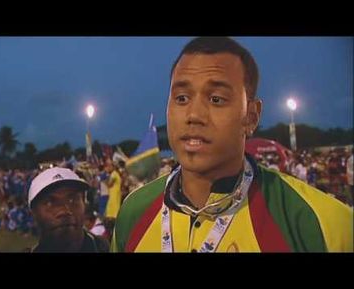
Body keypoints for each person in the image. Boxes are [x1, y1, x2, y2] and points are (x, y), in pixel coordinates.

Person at [111, 37, 353, 252]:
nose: (193, 114)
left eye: (216, 99)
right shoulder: (133, 212)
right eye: (182, 98)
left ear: (252, 116)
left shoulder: (322, 223)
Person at [27, 167, 109, 252]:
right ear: (34, 213)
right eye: (49, 203)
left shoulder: (110, 248)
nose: (64, 210)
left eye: (72, 199)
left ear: (84, 204)